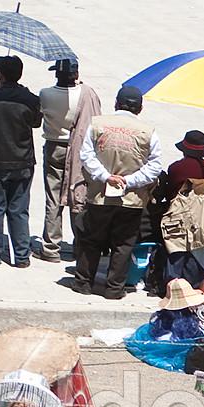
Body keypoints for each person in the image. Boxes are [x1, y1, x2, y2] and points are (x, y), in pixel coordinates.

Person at [73, 86, 169, 298]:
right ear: (140, 108)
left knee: (91, 240)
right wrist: (129, 181)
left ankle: (83, 283)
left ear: (116, 103)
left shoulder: (97, 124)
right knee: (123, 244)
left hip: (99, 196)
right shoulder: (148, 131)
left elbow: (86, 155)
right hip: (131, 200)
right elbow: (154, 167)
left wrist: (105, 176)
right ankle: (114, 289)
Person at [0, 56, 43, 268]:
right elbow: (36, 122)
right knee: (19, 209)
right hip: (23, 161)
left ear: (0, 74)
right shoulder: (30, 99)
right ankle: (22, 255)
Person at [36, 60, 87, 263]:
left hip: (53, 145)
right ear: (75, 75)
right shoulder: (83, 94)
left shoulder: (45, 93)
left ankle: (51, 247)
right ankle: (79, 245)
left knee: (53, 197)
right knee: (77, 195)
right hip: (77, 148)